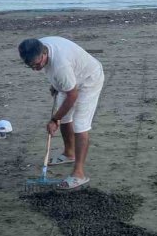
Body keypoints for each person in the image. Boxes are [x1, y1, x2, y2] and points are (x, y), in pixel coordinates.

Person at [18, 37, 104, 190]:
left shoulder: (60, 66)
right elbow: (62, 80)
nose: (35, 68)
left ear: (44, 53)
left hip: (89, 79)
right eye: (30, 66)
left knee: (80, 125)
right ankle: (69, 153)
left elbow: (73, 95)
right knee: (65, 117)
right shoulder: (35, 46)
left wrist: (54, 119)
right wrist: (56, 84)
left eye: (37, 64)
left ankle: (79, 174)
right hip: (71, 78)